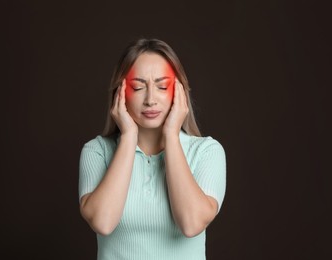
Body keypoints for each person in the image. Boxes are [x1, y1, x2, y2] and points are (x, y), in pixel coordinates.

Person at [78, 38, 226, 260]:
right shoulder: (97, 151)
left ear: (179, 91)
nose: (150, 100)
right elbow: (103, 222)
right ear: (120, 92)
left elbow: (191, 224)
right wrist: (128, 137)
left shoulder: (207, 152)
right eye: (137, 87)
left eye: (162, 86)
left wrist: (171, 136)